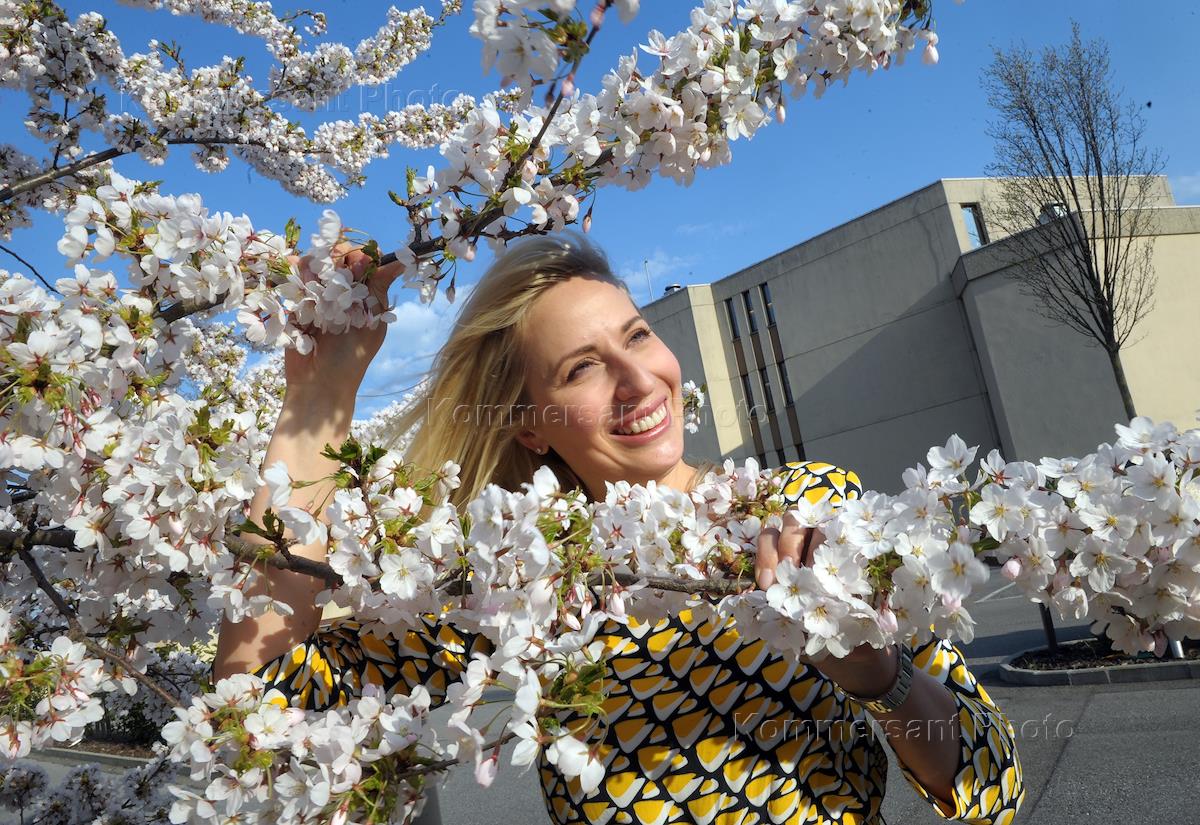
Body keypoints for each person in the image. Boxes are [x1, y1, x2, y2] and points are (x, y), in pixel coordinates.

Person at [214, 233, 1024, 825]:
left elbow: (988, 786)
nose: (638, 378)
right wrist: (318, 399)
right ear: (529, 426)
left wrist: (880, 677)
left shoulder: (807, 507)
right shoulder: (510, 591)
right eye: (581, 367)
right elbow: (253, 706)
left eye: (636, 334)